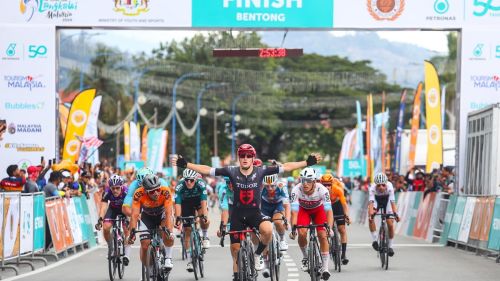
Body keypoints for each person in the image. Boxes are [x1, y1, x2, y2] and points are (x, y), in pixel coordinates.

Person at [172, 144, 321, 281]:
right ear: (239, 157)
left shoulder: (262, 170)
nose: (245, 158)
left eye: (248, 156)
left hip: (255, 214)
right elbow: (207, 169)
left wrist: (306, 163)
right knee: (235, 251)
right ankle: (237, 276)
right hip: (237, 215)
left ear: (253, 158)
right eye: (242, 155)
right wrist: (186, 165)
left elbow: (287, 166)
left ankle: (257, 255)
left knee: (268, 230)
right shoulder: (231, 171)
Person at [289, 167, 332, 280]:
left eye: (308, 181)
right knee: (302, 232)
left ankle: (325, 267)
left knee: (323, 235)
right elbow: (294, 212)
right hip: (303, 211)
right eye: (303, 180)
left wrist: (329, 227)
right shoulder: (296, 190)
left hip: (319, 211)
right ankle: (306, 257)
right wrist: (293, 228)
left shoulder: (322, 190)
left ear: (314, 182)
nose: (305, 184)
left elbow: (328, 211)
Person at [128, 174, 174, 271]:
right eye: (152, 191)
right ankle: (149, 268)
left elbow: (169, 213)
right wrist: (132, 232)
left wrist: (169, 231)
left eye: (158, 189)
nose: (156, 193)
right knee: (144, 245)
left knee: (167, 233)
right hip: (147, 217)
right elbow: (134, 215)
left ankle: (168, 258)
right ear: (145, 191)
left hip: (162, 216)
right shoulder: (138, 194)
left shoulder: (165, 191)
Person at [174, 168, 210, 273]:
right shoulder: (179, 186)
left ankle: (205, 236)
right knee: (188, 231)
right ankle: (190, 260)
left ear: (195, 179)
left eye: (191, 180)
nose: (189, 182)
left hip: (198, 201)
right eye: (186, 180)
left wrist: (204, 216)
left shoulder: (201, 184)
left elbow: (204, 201)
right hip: (185, 204)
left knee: (204, 219)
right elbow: (178, 204)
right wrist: (178, 218)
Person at [95, 175, 131, 266]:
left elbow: (131, 208)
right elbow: (103, 207)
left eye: (117, 188)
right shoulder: (107, 192)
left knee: (127, 229)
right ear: (110, 187)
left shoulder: (127, 191)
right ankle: (111, 246)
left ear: (121, 187)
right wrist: (100, 219)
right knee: (106, 227)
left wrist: (129, 219)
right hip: (113, 209)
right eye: (113, 188)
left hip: (124, 209)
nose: (115, 190)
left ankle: (126, 255)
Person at [320, 173, 351, 265]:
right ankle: (327, 245)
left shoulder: (338, 189)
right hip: (326, 205)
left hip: (337, 205)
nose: (327, 186)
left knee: (342, 229)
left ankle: (344, 255)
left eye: (329, 184)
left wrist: (347, 215)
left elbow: (344, 204)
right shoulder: (319, 190)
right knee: (325, 228)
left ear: (332, 183)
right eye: (324, 184)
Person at [368, 173, 400, 257]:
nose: (381, 187)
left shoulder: (390, 187)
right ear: (376, 185)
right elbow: (371, 202)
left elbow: (392, 202)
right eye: (378, 185)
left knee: (390, 223)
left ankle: (390, 246)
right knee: (370, 217)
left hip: (387, 201)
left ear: (386, 184)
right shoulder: (372, 188)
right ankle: (375, 240)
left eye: (383, 185)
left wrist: (395, 214)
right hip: (376, 200)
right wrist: (371, 214)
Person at [261, 174, 289, 252]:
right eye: (267, 186)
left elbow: (286, 205)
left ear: (277, 183)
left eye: (272, 186)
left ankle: (282, 239)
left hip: (278, 206)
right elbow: (257, 204)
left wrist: (287, 220)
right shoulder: (260, 187)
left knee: (277, 221)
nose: (269, 188)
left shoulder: (282, 186)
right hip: (265, 207)